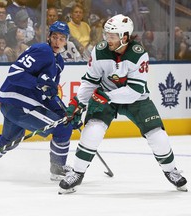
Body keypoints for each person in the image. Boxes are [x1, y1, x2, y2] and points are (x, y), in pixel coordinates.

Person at [58, 14, 188, 194]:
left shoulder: (139, 55)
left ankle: (171, 170)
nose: (107, 39)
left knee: (158, 136)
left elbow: (133, 91)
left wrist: (106, 97)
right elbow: (90, 81)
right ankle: (77, 173)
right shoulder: (99, 51)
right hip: (106, 97)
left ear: (124, 37)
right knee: (92, 131)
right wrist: (77, 103)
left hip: (135, 100)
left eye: (111, 36)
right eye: (106, 34)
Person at [0, 21, 74, 181]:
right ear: (49, 37)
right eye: (55, 37)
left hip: (14, 105)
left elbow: (48, 94)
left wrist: (64, 112)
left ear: (66, 41)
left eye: (62, 38)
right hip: (20, 104)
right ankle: (58, 169)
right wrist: (38, 82)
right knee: (63, 129)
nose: (57, 41)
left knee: (9, 139)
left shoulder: (58, 62)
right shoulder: (43, 51)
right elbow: (14, 73)